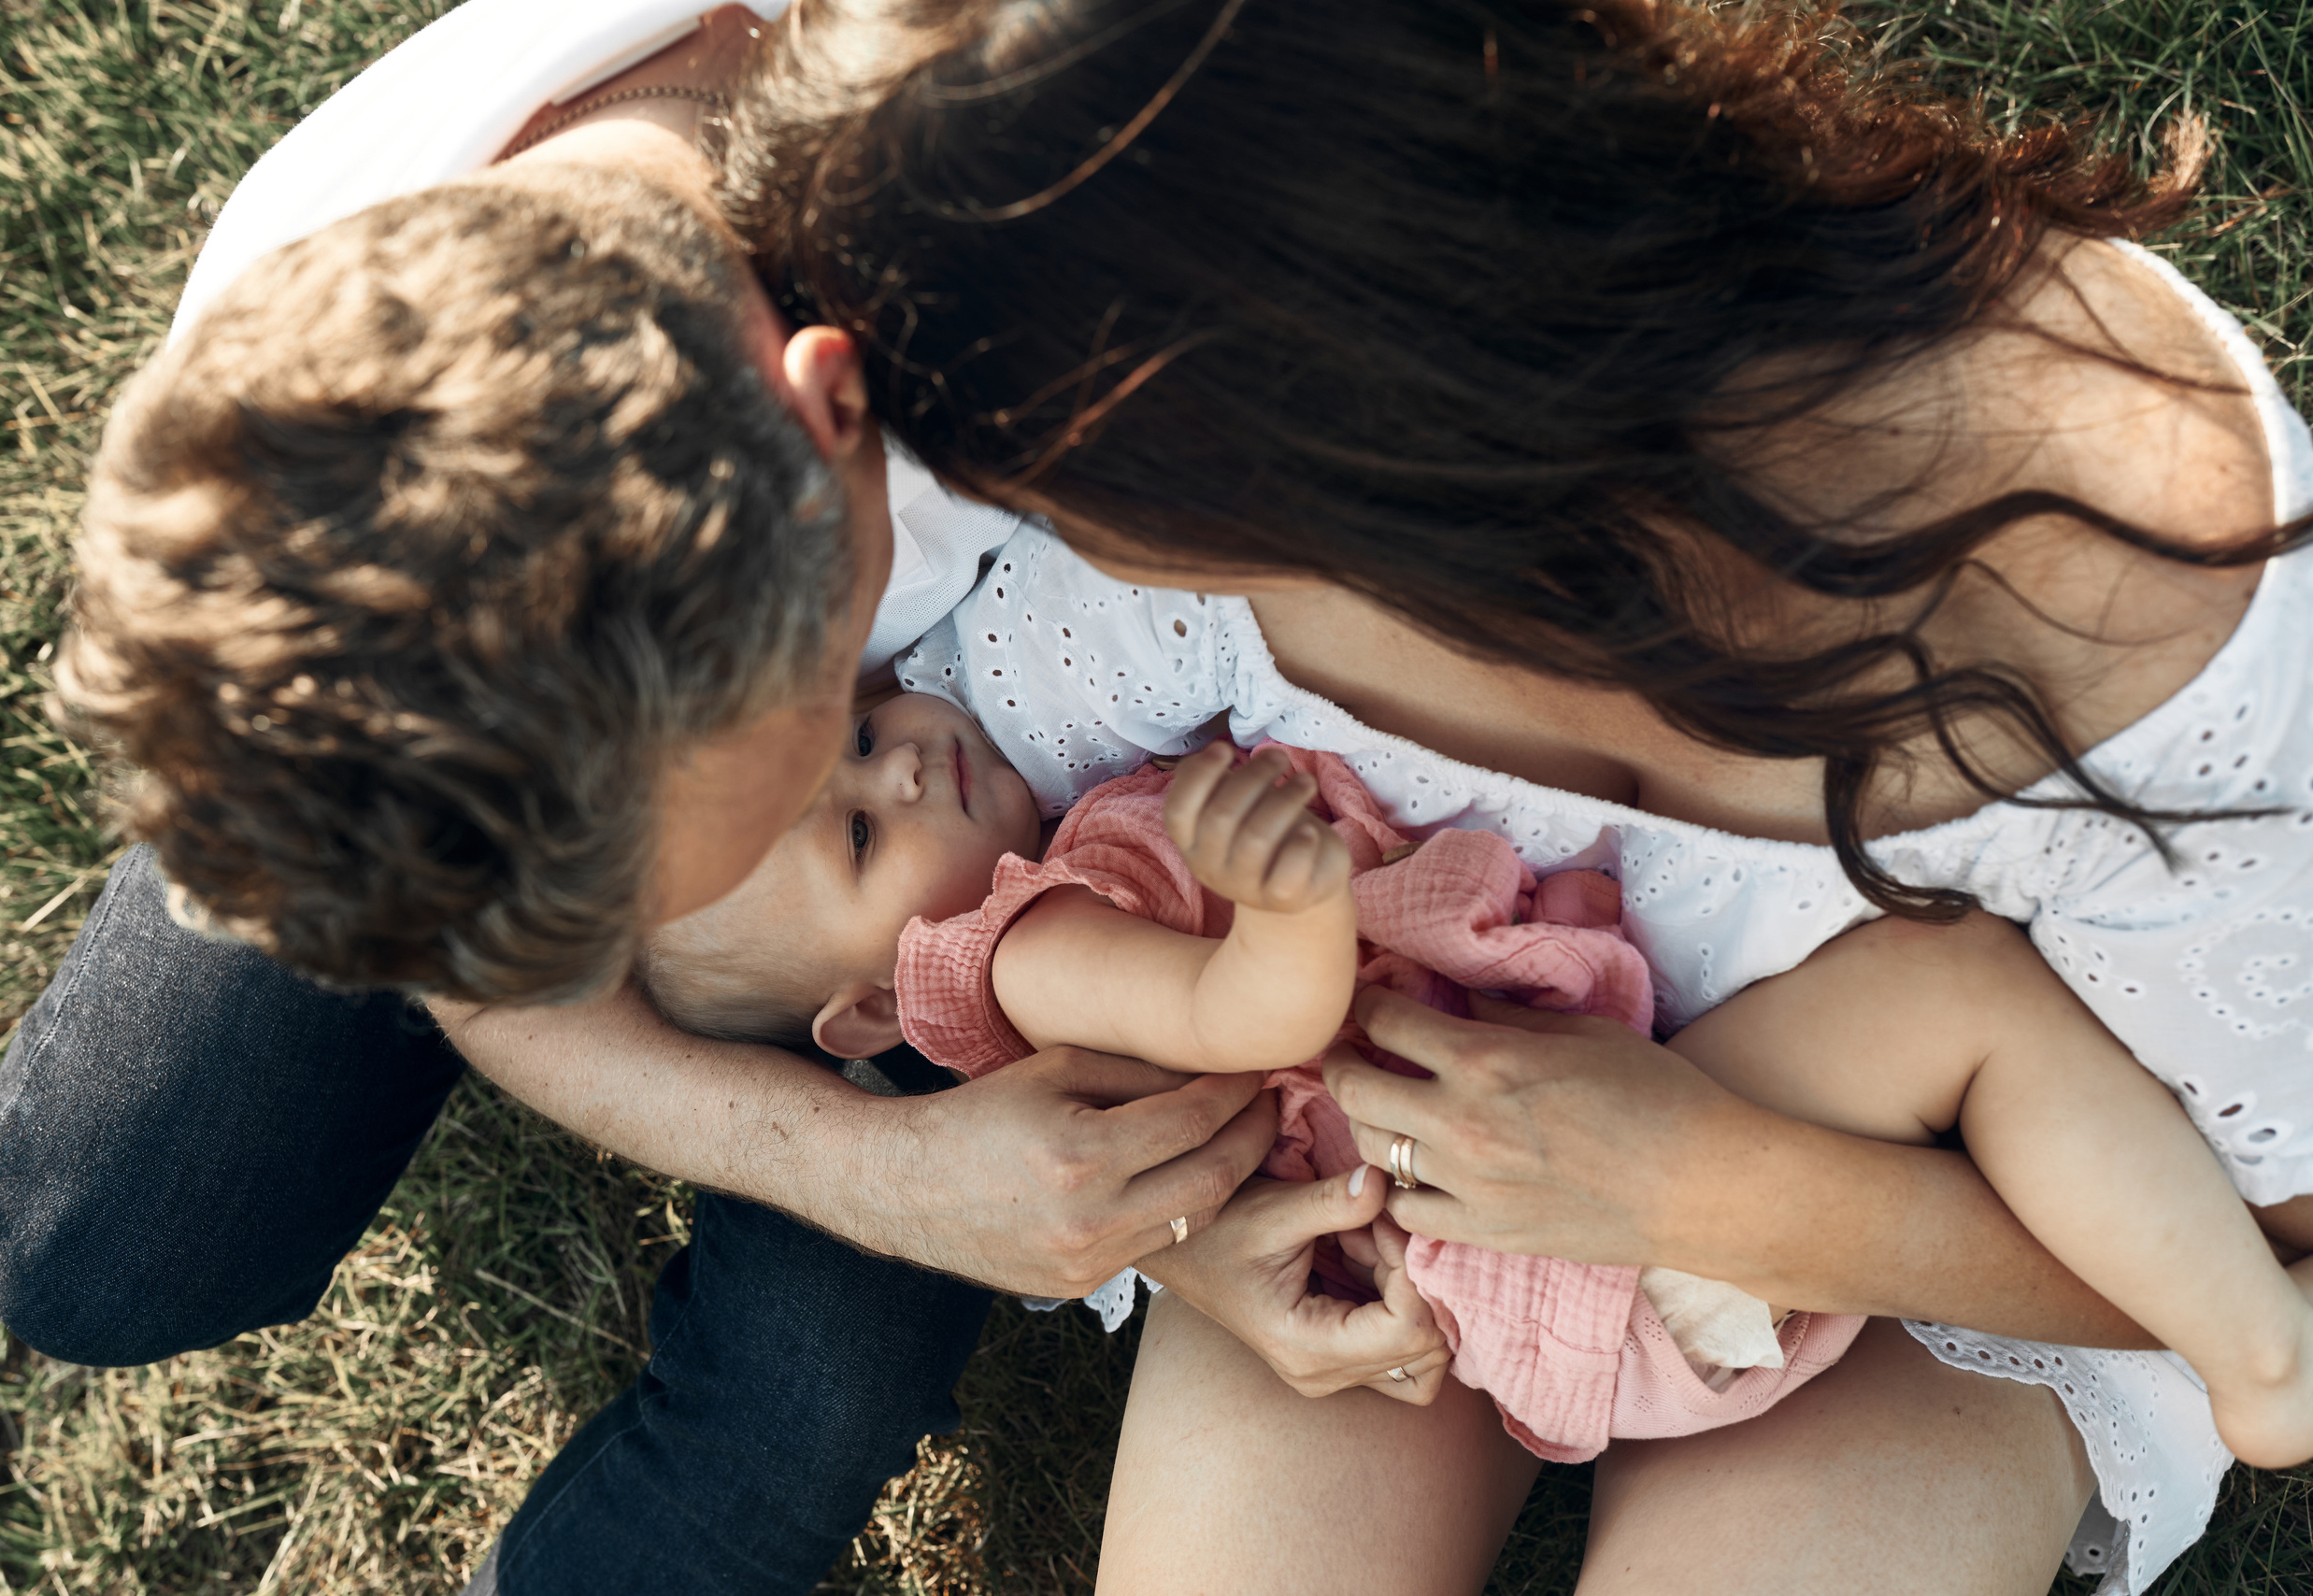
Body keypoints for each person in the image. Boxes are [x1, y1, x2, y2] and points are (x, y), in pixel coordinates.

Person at [723, 0, 2313, 1590]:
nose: (1011, 540)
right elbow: (690, 913)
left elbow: (2277, 1269)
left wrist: (1712, 1187)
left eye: (1026, 488)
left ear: (1232, 433)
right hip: (1396, 1178)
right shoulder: (1143, 584)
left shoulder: (2147, 630)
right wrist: (1191, 1215)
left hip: (1955, 1233)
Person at [0, 6, 1316, 1594]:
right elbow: (493, 949)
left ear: (840, 419)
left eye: (818, 748)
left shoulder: (1070, 300)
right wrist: (865, 1176)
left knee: (815, 1389)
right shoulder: (280, 350)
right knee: (100, 1255)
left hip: (950, 877)